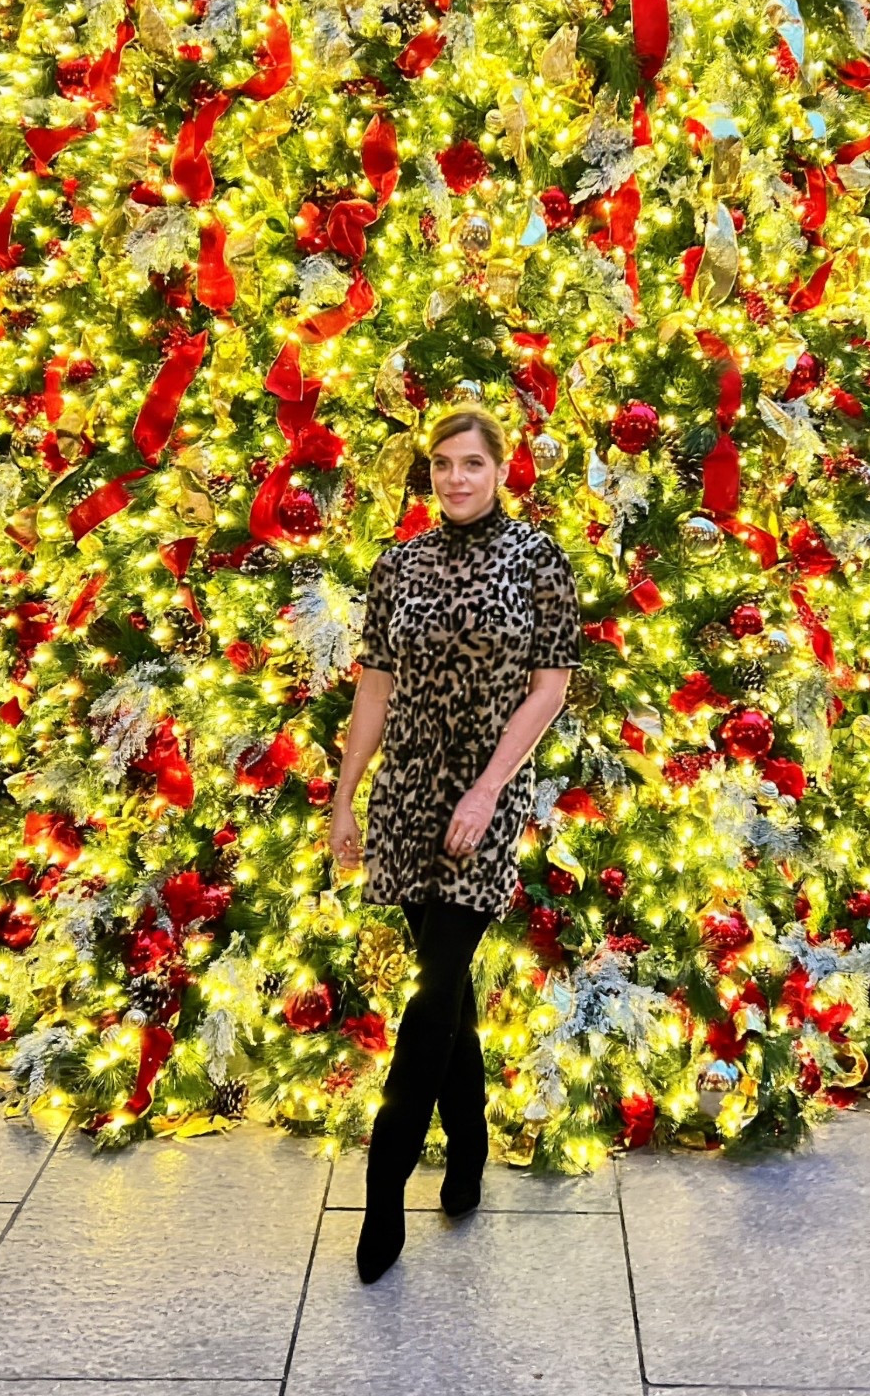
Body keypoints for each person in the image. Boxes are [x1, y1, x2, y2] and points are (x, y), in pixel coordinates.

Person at [330, 404, 582, 1284]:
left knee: (432, 990)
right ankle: (469, 1143)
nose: (454, 478)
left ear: (501, 469)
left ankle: (383, 1184)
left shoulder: (539, 560)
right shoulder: (398, 565)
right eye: (441, 465)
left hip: (487, 792)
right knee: (449, 991)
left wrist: (485, 789)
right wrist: (343, 798)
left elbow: (548, 689)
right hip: (405, 791)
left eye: (470, 463)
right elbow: (373, 686)